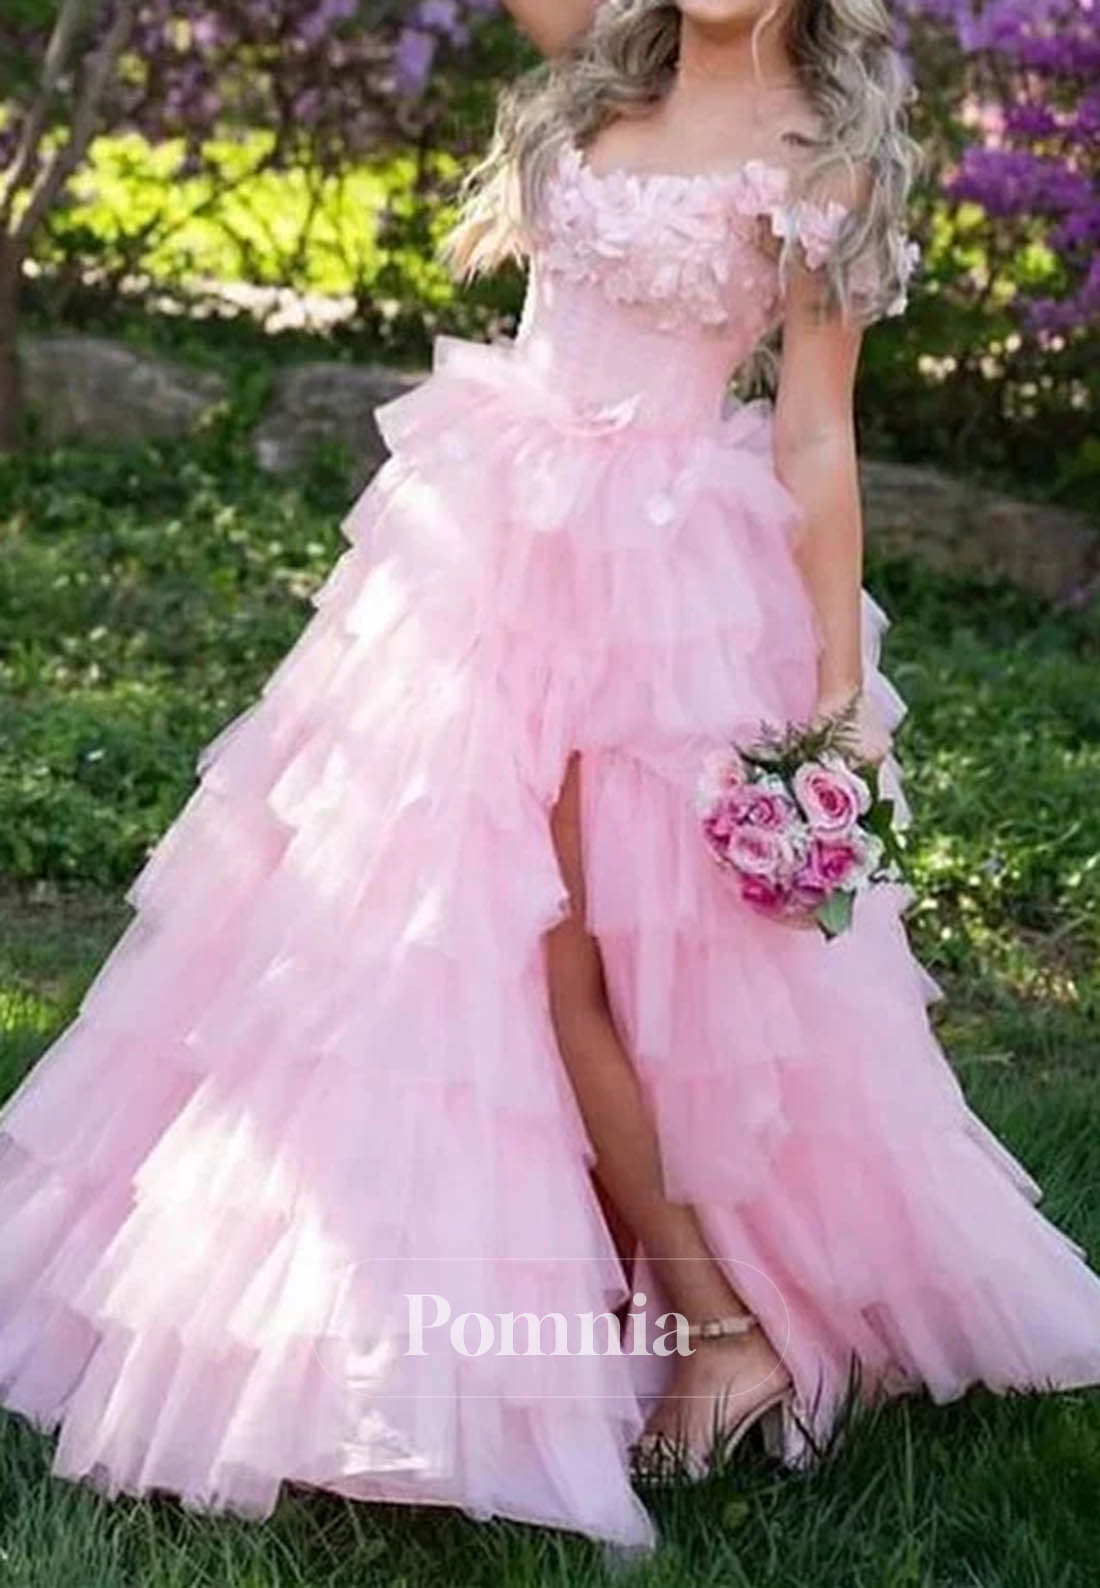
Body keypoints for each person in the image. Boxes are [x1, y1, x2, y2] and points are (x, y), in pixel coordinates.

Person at [2, 0, 1099, 1555]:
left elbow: (814, 436)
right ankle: (437, 1313)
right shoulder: (603, 61)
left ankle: (721, 1330)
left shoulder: (823, 154)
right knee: (410, 917)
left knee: (566, 947)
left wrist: (840, 698)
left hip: (650, 583)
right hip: (480, 542)